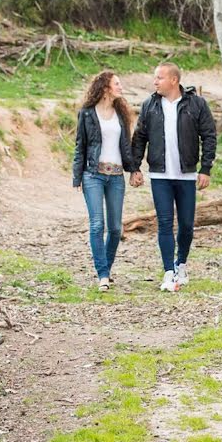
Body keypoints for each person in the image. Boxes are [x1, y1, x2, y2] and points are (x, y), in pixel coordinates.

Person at [131, 62, 217, 291]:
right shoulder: (150, 105)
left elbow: (209, 136)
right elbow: (140, 137)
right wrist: (135, 167)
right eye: (155, 77)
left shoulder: (196, 104)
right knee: (165, 223)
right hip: (160, 175)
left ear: (173, 80)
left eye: (159, 77)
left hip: (187, 174)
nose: (155, 81)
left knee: (187, 225)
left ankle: (182, 264)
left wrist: (205, 169)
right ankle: (168, 271)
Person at [72, 71, 138, 291]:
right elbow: (80, 145)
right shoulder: (88, 113)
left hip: (116, 176)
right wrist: (77, 175)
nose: (120, 87)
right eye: (117, 83)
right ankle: (102, 275)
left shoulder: (121, 113)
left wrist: (134, 169)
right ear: (105, 87)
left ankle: (105, 269)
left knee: (116, 229)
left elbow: (126, 145)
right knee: (97, 224)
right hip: (93, 174)